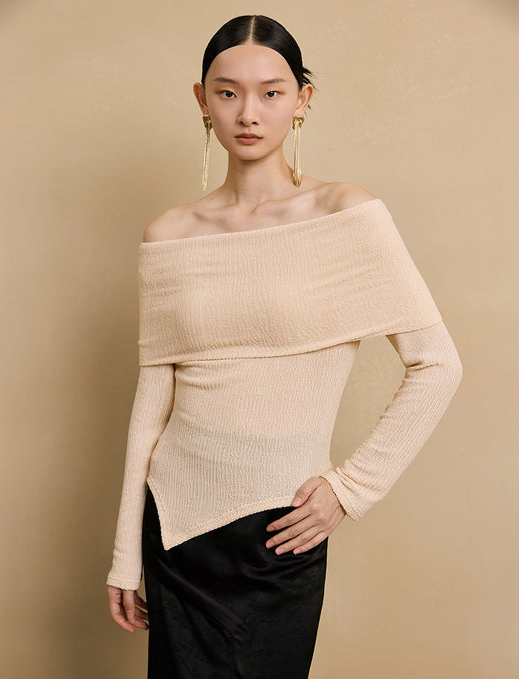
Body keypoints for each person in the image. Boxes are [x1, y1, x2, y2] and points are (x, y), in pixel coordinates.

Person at [106, 14, 463, 679]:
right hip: (176, 529)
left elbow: (438, 364)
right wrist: (126, 553)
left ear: (302, 99)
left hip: (279, 529)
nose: (248, 112)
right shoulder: (170, 234)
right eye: (227, 92)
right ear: (202, 99)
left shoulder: (345, 214)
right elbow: (151, 402)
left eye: (271, 92)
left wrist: (348, 488)